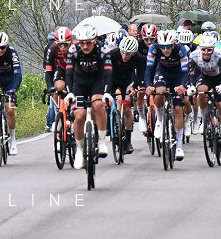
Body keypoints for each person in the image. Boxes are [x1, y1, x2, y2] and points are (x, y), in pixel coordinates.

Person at [65, 24, 113, 169]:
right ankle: (80, 150)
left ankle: (102, 141)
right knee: (79, 116)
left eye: (88, 43)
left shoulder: (103, 49)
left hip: (97, 82)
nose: (85, 46)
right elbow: (68, 73)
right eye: (82, 43)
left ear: (95, 40)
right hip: (79, 83)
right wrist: (69, 92)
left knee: (98, 105)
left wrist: (107, 92)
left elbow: (108, 73)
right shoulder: (73, 50)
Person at [190, 32, 221, 157]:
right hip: (205, 77)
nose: (206, 52)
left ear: (213, 49)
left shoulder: (219, 55)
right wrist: (191, 86)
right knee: (201, 91)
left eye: (209, 50)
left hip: (219, 79)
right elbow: (192, 74)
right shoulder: (194, 55)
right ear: (200, 48)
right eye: (204, 50)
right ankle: (204, 120)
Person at [145, 29, 189, 161]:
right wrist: (148, 86)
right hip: (162, 73)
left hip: (178, 75)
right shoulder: (153, 48)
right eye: (163, 47)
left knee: (177, 109)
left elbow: (186, 70)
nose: (165, 50)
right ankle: (159, 120)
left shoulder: (181, 50)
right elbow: (149, 69)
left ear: (173, 44)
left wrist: (183, 86)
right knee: (159, 93)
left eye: (168, 46)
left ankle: (179, 146)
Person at [109, 36, 145, 155]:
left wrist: (134, 87)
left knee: (128, 110)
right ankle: (110, 125)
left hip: (128, 82)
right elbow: (105, 71)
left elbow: (140, 75)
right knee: (111, 101)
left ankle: (128, 140)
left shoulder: (139, 58)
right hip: (112, 80)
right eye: (123, 52)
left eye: (128, 54)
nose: (124, 56)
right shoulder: (113, 54)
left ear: (134, 53)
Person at [44, 26, 71, 132]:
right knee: (57, 88)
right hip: (62, 69)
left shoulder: (76, 48)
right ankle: (58, 115)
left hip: (75, 71)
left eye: (65, 44)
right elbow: (48, 70)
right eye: (60, 44)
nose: (63, 48)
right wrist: (50, 87)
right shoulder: (53, 48)